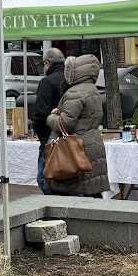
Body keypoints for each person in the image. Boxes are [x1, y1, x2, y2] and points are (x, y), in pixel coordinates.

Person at [45, 54, 109, 198]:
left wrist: (52, 117)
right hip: (91, 144)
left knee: (73, 193)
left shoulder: (75, 92)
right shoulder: (91, 89)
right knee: (91, 193)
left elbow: (65, 124)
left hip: (75, 148)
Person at [31, 47, 66, 195]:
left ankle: (58, 209)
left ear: (47, 63)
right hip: (70, 136)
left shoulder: (47, 82)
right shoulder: (71, 79)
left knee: (43, 178)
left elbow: (39, 114)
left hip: (50, 138)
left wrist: (41, 135)